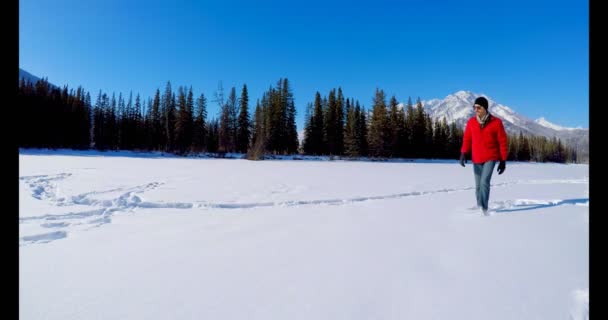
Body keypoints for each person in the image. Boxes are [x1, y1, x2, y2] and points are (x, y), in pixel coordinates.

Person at [459, 96, 508, 216]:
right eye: (474, 107)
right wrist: (463, 153)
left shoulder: (496, 122)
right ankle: (479, 205)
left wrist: (503, 160)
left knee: (484, 182)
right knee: (477, 186)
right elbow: (467, 139)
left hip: (490, 157)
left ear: (485, 108)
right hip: (476, 158)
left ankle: (484, 208)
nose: (476, 110)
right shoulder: (471, 122)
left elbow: (502, 142)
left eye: (478, 107)